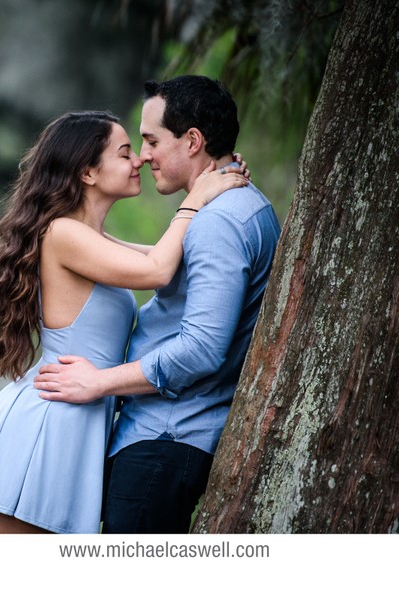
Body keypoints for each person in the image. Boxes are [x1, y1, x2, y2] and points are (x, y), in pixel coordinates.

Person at [0, 109, 249, 534]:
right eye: (124, 153)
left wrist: (218, 180)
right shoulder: (63, 234)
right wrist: (197, 198)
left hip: (79, 413)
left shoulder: (91, 239)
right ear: (87, 172)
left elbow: (169, 261)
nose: (138, 160)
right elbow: (156, 270)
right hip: (52, 417)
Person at [33, 75, 282, 533]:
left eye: (150, 141)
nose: (143, 156)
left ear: (192, 141)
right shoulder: (246, 207)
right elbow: (149, 259)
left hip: (168, 437)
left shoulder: (217, 223)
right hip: (164, 433)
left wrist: (100, 382)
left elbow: (202, 348)